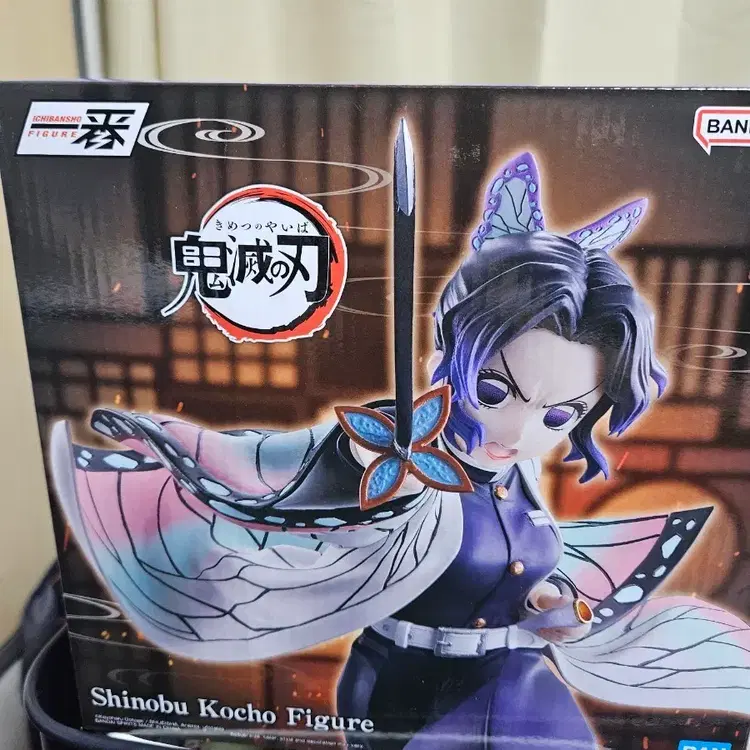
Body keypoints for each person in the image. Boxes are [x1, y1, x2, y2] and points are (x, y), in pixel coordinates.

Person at [50, 151, 749, 750]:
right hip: (406, 689)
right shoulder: (393, 444)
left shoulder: (518, 476)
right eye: (494, 390)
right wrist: (172, 440)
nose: (516, 431)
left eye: (559, 413)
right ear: (445, 355)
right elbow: (266, 470)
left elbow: (521, 572)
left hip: (514, 684)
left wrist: (553, 601)